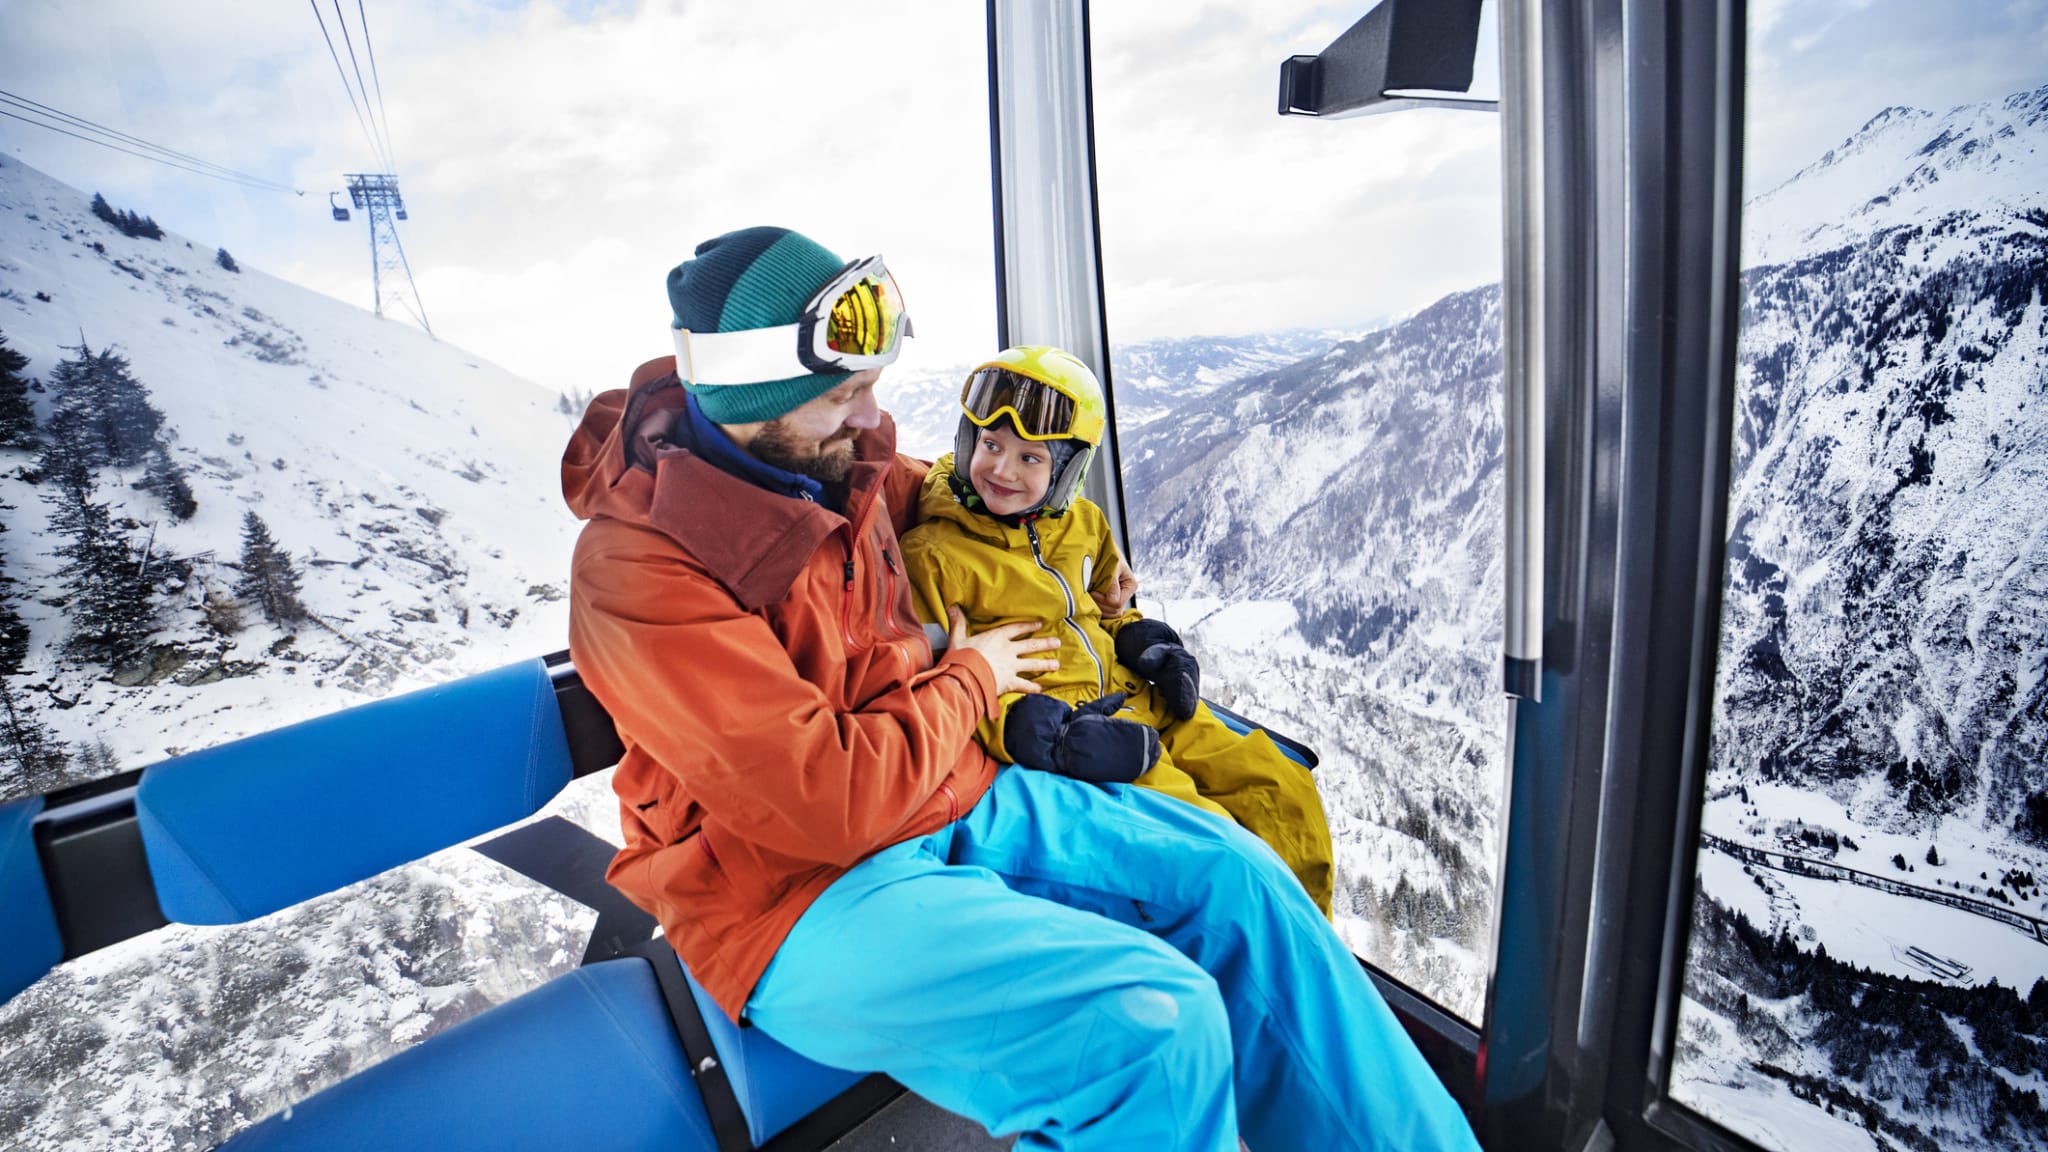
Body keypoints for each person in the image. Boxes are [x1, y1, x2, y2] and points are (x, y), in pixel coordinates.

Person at [562, 225, 1478, 1151]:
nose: (871, 416)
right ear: (753, 396)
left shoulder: (836, 464)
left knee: (1242, 883)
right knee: (1148, 1031)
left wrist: (1104, 591)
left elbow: (986, 498)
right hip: (793, 893)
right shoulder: (641, 569)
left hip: (946, 798)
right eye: (844, 394)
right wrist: (973, 677)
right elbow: (822, 801)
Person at [896, 345, 1336, 916]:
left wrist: (1144, 640)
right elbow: (940, 681)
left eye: (1032, 459)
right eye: (991, 445)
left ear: (1066, 470)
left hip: (1136, 698)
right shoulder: (934, 556)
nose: (1002, 469)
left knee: (1284, 791)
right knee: (1224, 849)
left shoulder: (1083, 524)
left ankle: (1310, 951)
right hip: (1081, 734)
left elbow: (1108, 607)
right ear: (967, 439)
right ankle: (1267, 955)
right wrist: (1041, 733)